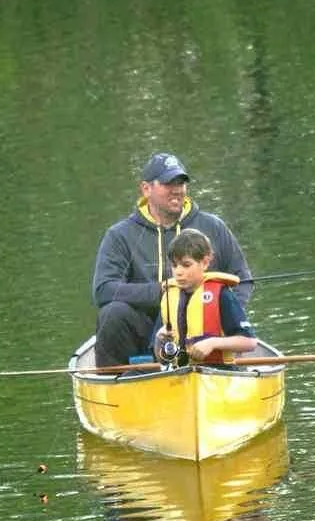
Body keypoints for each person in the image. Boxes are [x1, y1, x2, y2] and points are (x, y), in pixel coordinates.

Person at [92, 152, 253, 366]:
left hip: (204, 332)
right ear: (146, 189)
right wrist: (163, 290)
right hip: (144, 331)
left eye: (181, 182)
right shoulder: (119, 235)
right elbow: (103, 290)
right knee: (112, 313)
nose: (177, 189)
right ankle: (117, 383)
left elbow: (243, 280)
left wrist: (224, 316)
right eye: (168, 183)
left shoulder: (214, 226)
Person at [152, 229, 257, 367]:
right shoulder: (169, 298)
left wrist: (212, 343)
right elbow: (161, 359)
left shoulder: (221, 295)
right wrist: (159, 341)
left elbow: (249, 342)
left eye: (186, 265)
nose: (178, 272)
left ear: (205, 263)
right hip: (180, 375)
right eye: (174, 265)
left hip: (219, 373)